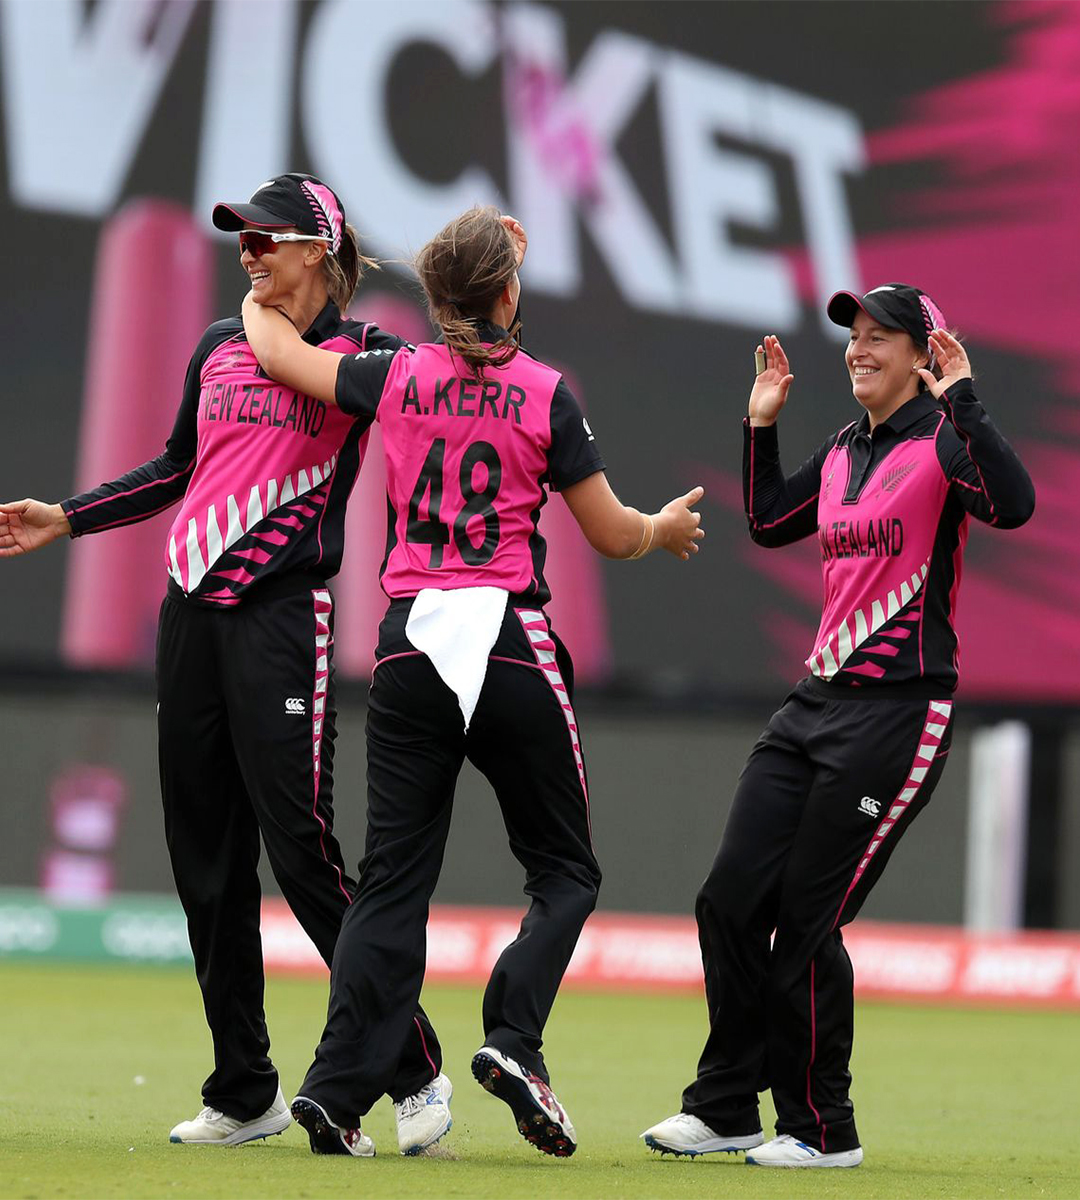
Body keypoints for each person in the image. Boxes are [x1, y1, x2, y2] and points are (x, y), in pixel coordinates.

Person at [0, 173, 451, 1154]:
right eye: (239, 242)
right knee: (206, 860)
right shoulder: (215, 345)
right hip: (189, 619)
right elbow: (174, 468)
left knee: (304, 855)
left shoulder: (363, 354)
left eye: (264, 241)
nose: (247, 256)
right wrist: (67, 518)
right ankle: (244, 1090)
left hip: (284, 618)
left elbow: (443, 401)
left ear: (318, 249)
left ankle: (410, 1069)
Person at [239, 205, 705, 1156]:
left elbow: (284, 357)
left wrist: (257, 294)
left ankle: (334, 1090)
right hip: (506, 642)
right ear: (506, 292)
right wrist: (664, 529)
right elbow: (613, 535)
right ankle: (513, 1041)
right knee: (565, 870)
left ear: (437, 294)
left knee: (391, 886)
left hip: (410, 643)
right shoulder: (546, 391)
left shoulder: (397, 372)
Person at [641, 285, 1035, 1167]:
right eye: (854, 337)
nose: (859, 350)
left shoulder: (943, 440)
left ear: (923, 352)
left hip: (900, 712)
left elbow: (1013, 505)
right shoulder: (847, 448)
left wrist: (962, 397)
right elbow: (773, 519)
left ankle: (824, 1132)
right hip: (814, 703)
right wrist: (760, 424)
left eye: (880, 338)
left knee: (806, 922)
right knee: (731, 900)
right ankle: (727, 1109)